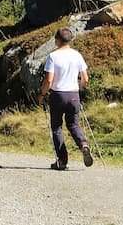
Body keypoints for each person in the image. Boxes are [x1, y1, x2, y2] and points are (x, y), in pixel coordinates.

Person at [38, 27, 93, 170]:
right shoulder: (77, 55)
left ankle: (62, 161)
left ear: (57, 40)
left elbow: (48, 81)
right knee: (73, 125)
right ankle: (84, 145)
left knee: (56, 127)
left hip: (58, 95)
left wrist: (42, 94)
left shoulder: (53, 57)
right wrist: (78, 89)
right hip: (73, 94)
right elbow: (85, 78)